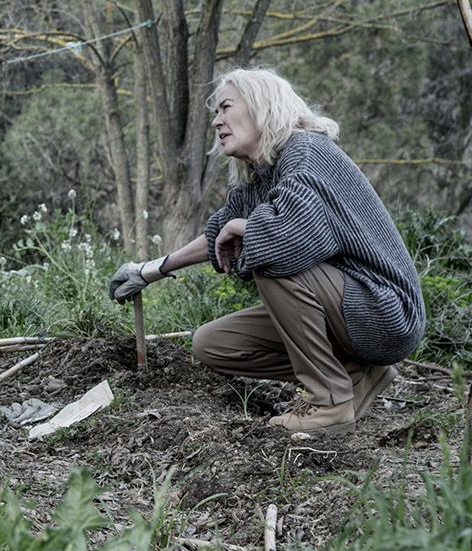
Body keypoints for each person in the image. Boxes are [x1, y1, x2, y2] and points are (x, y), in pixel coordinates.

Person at [109, 67, 425, 436]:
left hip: (384, 313)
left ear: (261, 105)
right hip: (349, 315)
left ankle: (329, 400)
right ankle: (357, 374)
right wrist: (149, 270)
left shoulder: (308, 152)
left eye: (225, 107)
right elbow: (218, 232)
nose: (217, 121)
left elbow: (283, 242)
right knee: (212, 344)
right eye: (215, 113)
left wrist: (244, 228)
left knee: (271, 256)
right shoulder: (262, 176)